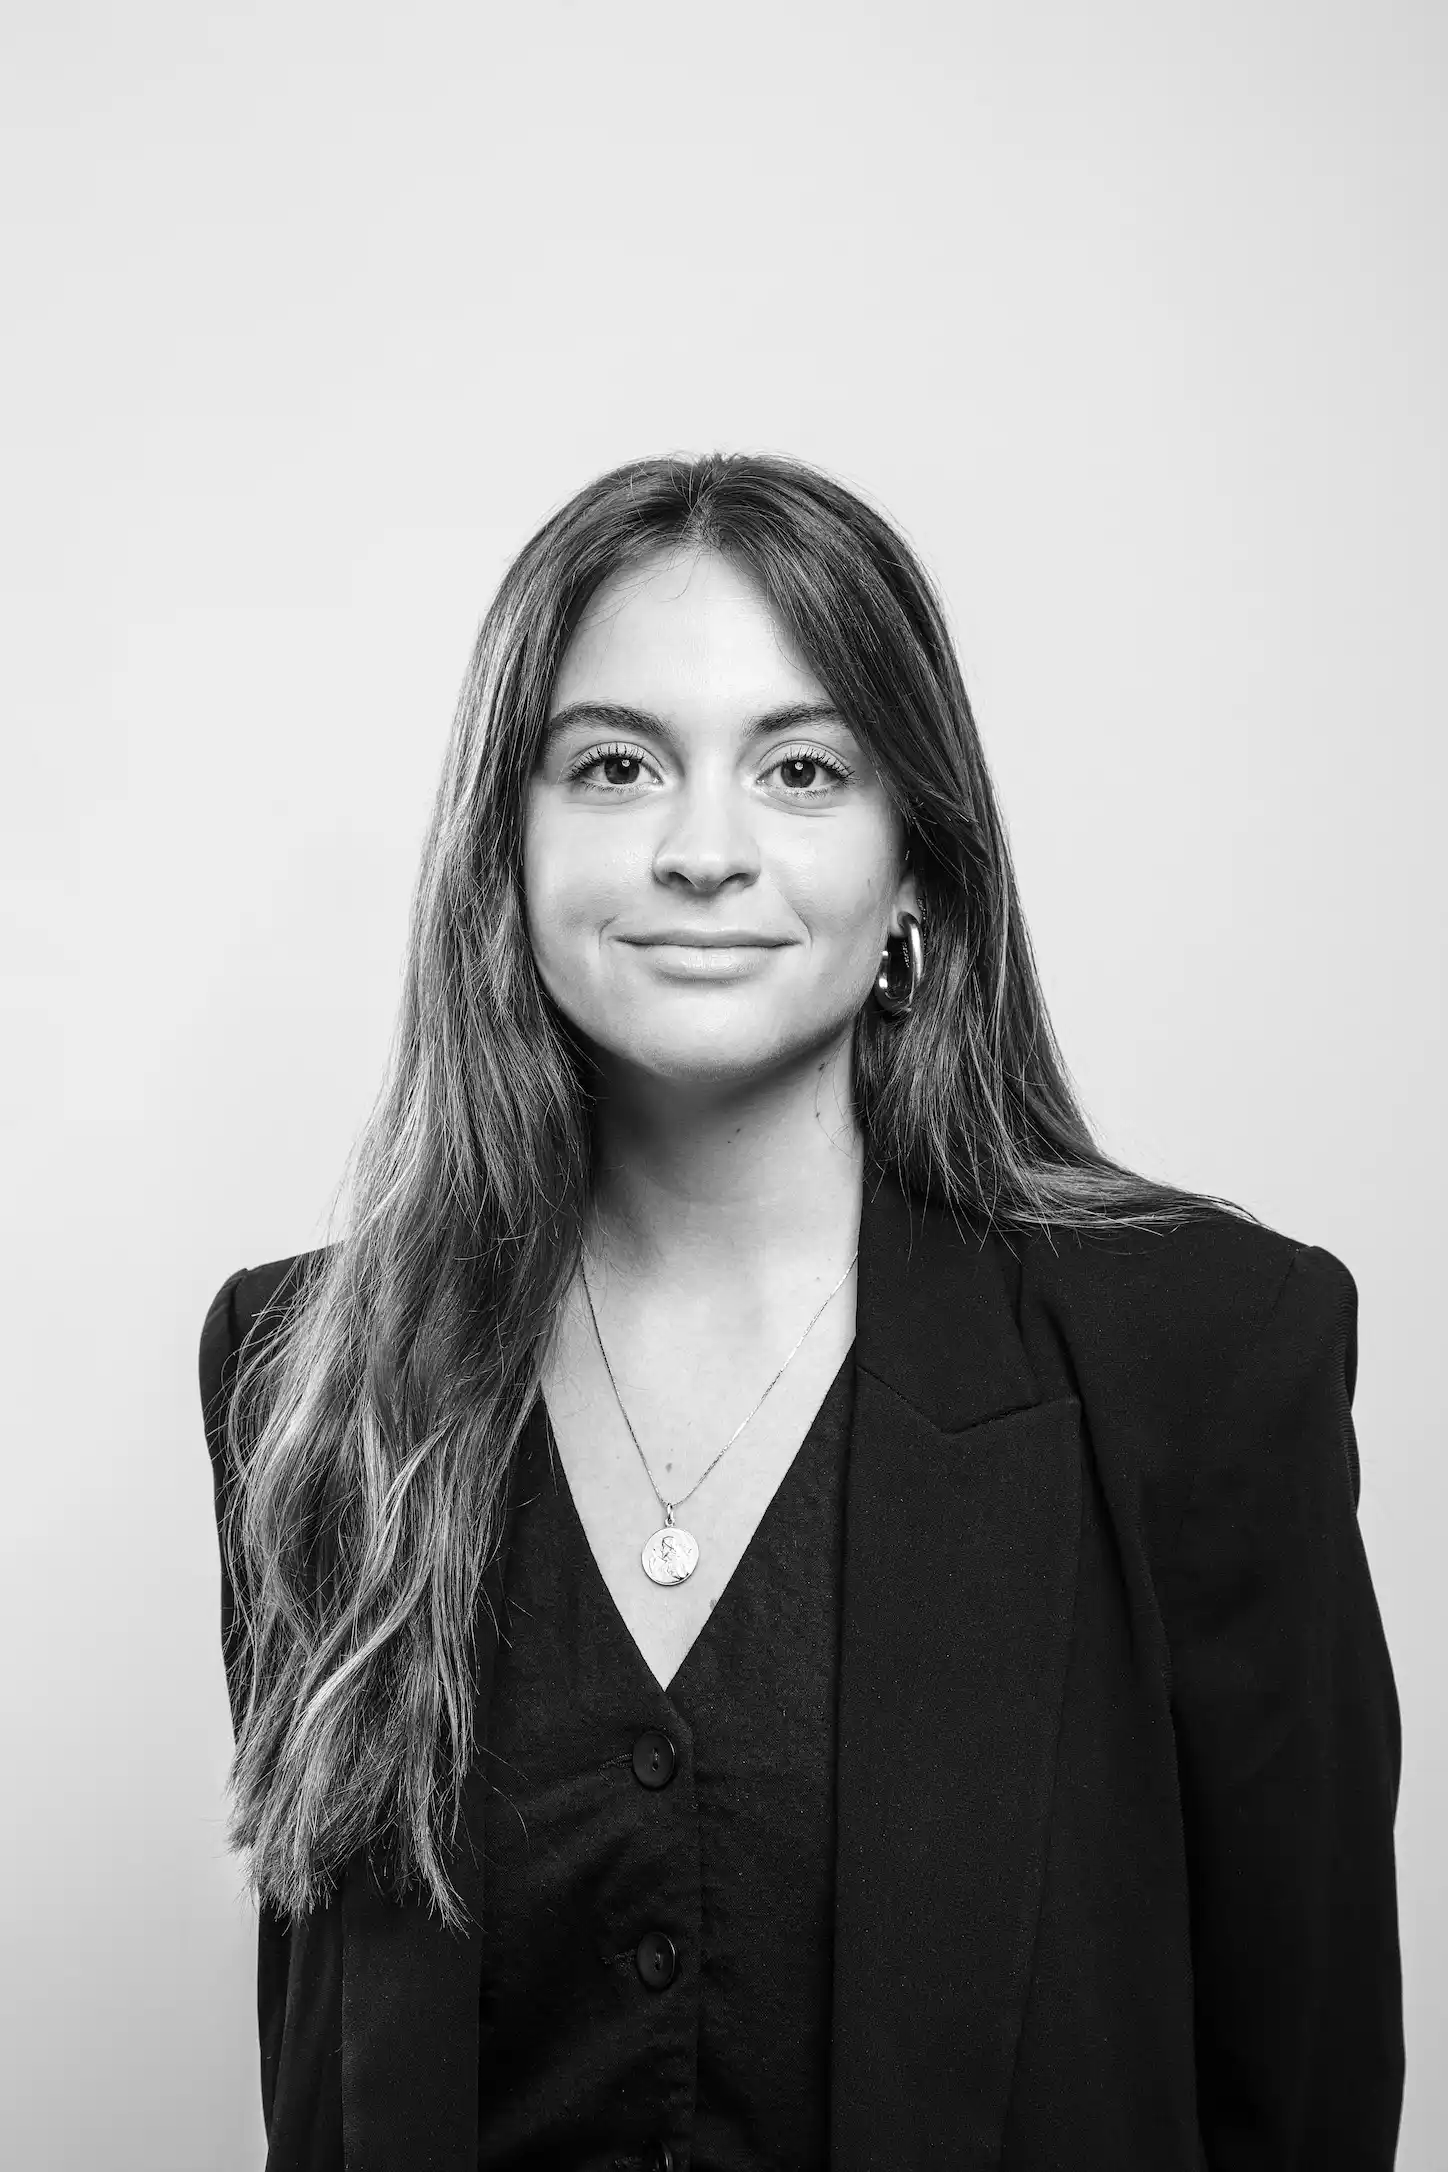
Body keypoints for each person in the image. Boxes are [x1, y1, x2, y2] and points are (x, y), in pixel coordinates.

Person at [198, 452, 1403, 2172]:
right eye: (615, 766)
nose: (704, 851)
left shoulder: (1201, 1356)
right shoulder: (309, 1378)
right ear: (505, 852)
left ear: (915, 865)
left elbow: (1305, 2091)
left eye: (802, 769)